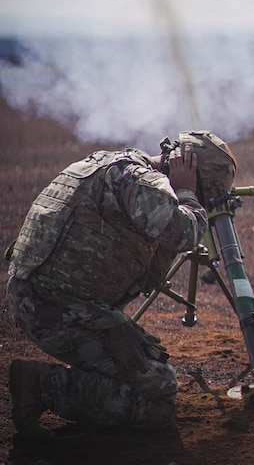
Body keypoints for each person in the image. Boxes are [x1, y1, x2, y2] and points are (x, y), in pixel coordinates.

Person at [6, 130, 237, 439]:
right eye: (205, 193)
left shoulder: (122, 167)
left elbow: (147, 276)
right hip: (51, 308)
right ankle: (40, 386)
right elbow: (185, 232)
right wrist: (188, 194)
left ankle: (77, 384)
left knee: (153, 366)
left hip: (59, 301)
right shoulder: (140, 181)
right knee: (157, 401)